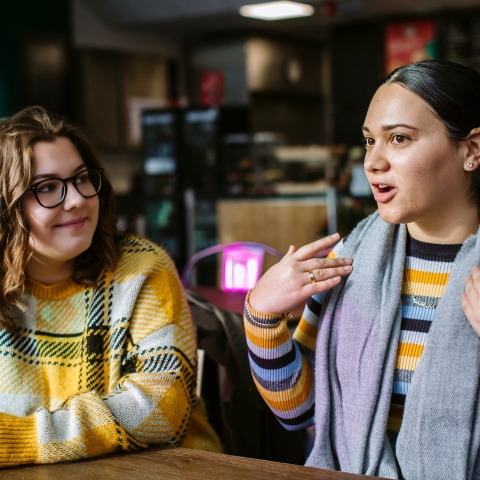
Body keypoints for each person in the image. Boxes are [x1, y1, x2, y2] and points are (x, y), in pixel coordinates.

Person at [245, 59, 480, 480]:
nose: (373, 162)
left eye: (400, 139)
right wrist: (262, 314)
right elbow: (301, 411)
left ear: (472, 150)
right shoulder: (353, 260)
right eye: (370, 141)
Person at [0, 106, 221, 468]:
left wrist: (23, 440)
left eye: (82, 178)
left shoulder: (142, 269)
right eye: (47, 187)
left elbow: (160, 409)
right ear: (5, 209)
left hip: (170, 472)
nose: (76, 200)